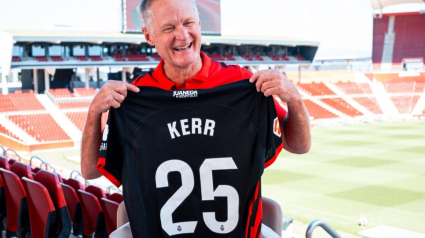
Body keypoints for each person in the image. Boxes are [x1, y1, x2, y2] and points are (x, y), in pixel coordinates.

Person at [81, 0, 311, 237]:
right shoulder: (134, 99)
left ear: (200, 25)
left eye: (189, 23)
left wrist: (294, 98)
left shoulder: (243, 86)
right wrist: (94, 112)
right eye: (169, 28)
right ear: (149, 36)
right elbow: (89, 172)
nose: (182, 35)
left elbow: (299, 146)